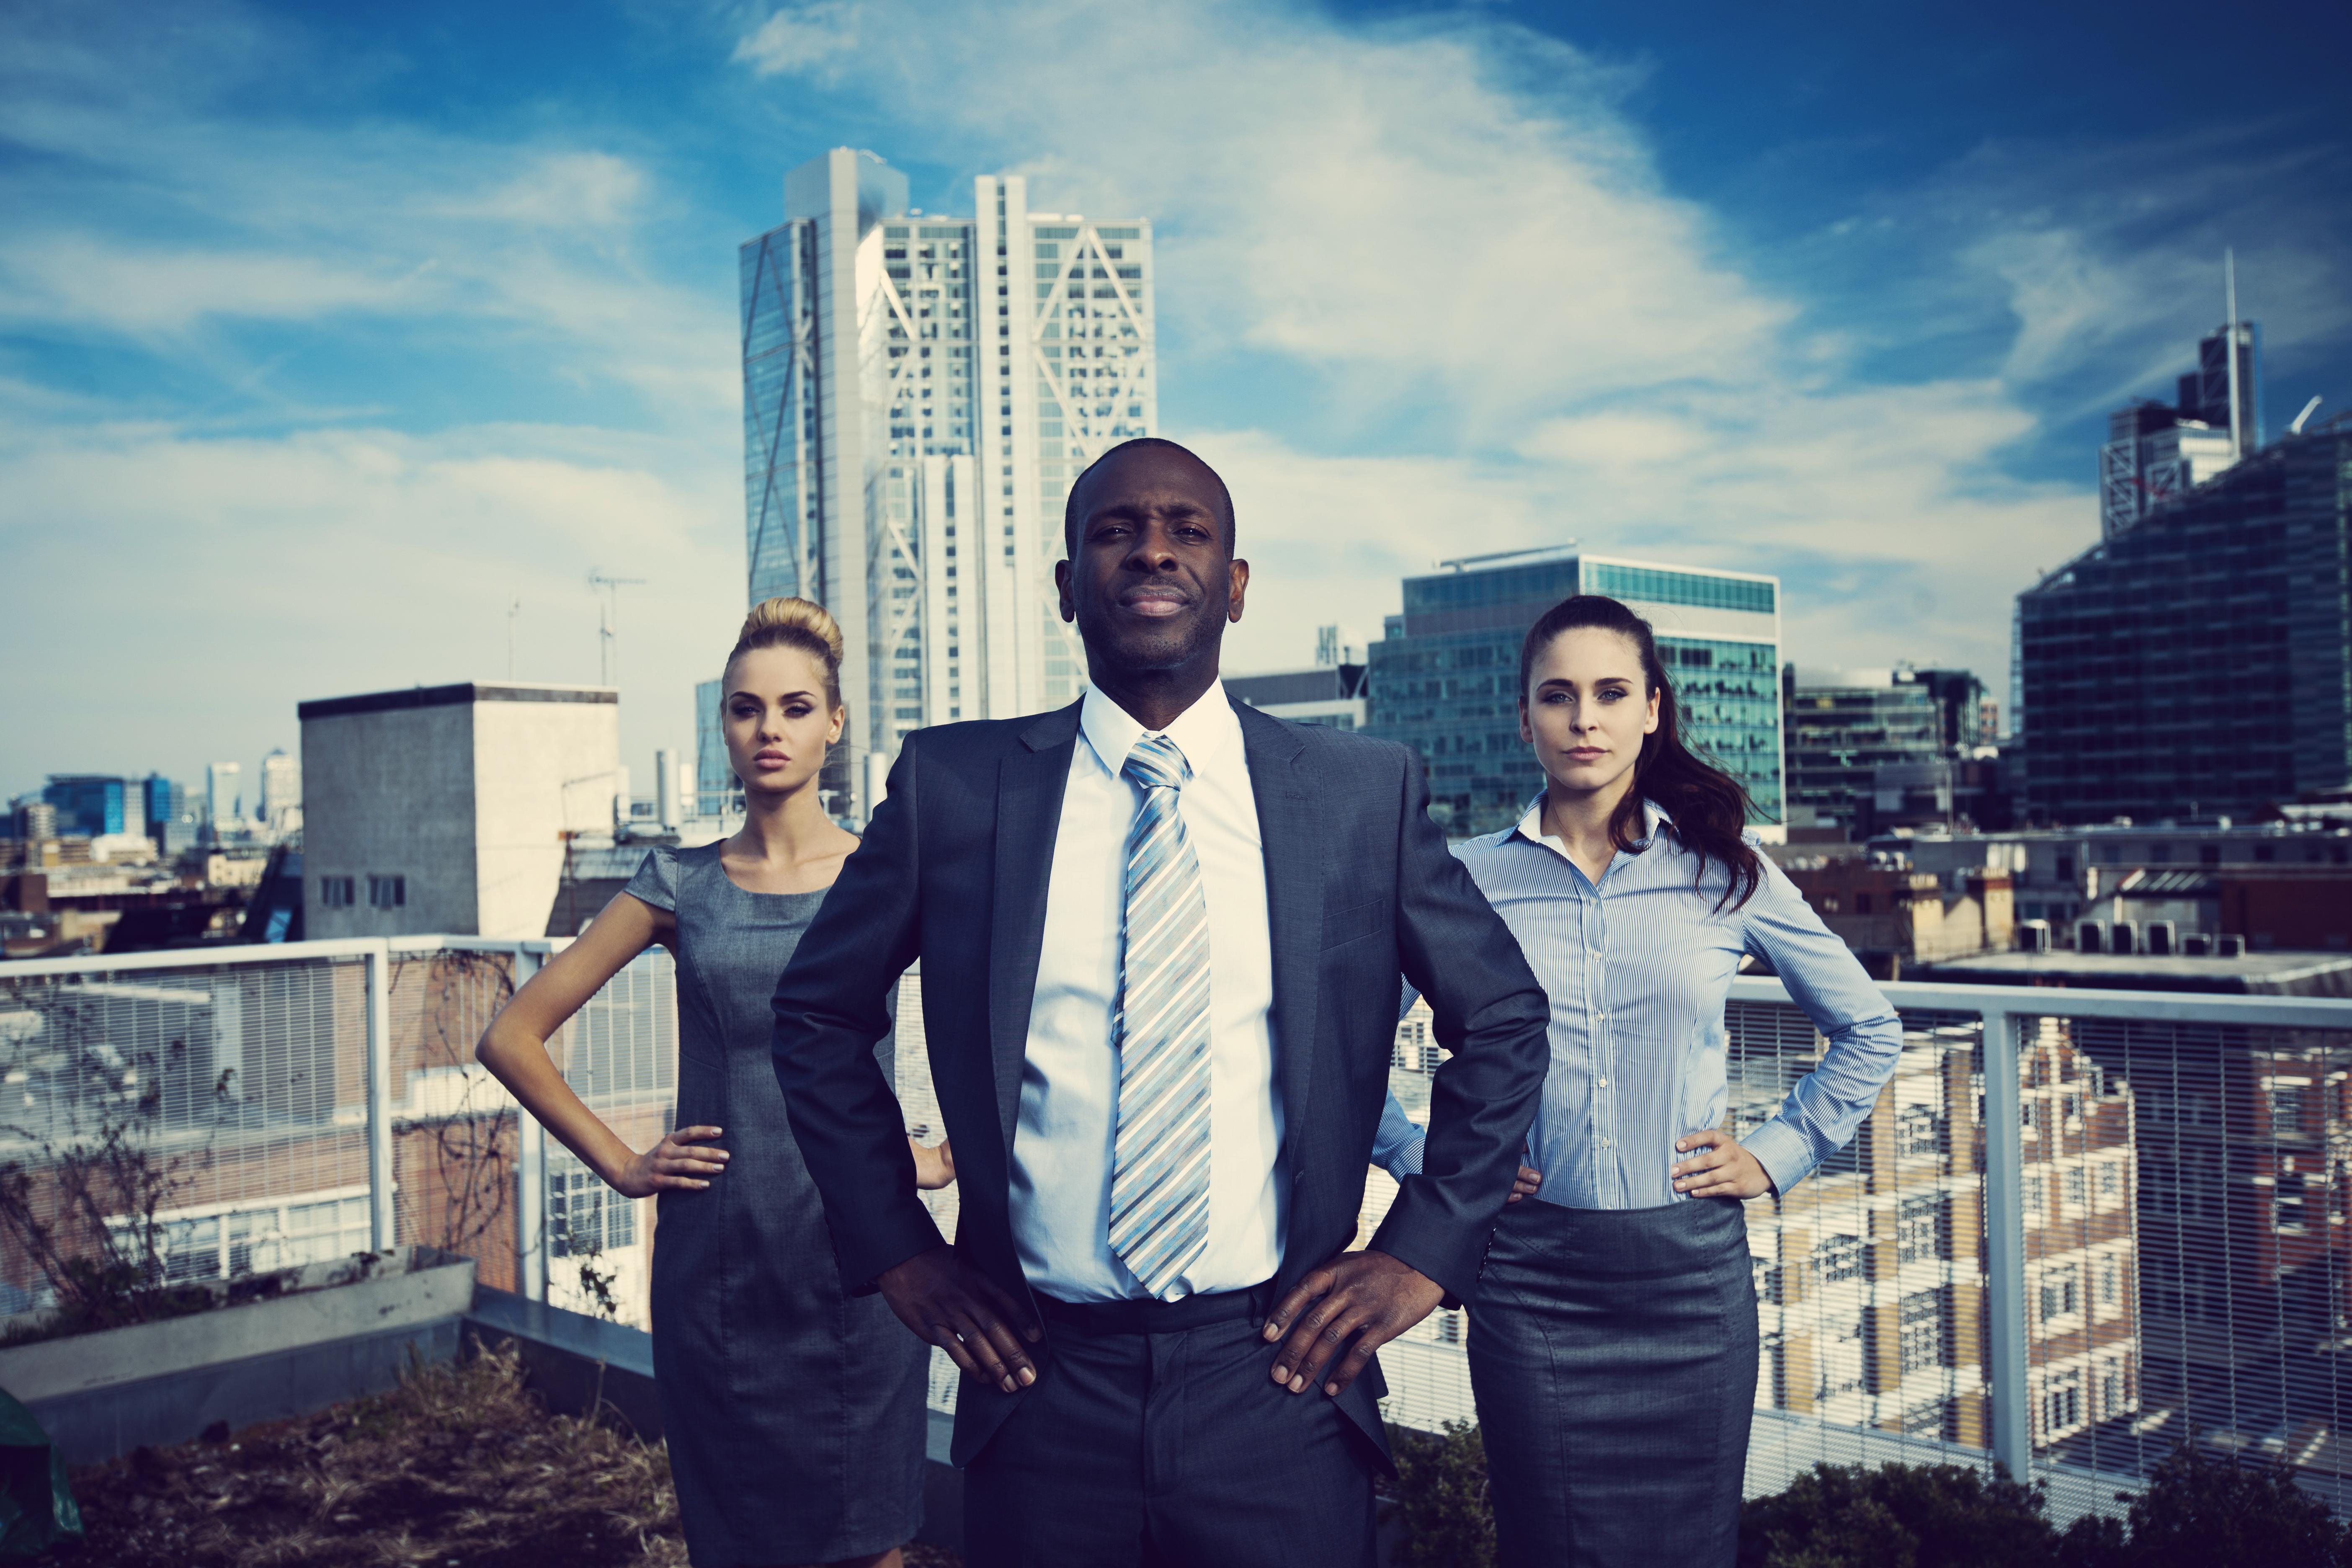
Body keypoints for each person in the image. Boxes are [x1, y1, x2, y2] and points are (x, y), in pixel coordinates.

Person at [769, 438, 1552, 1568]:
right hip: (1038, 1382)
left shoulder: (1357, 793)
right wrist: (897, 1245)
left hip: (1277, 1375)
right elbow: (817, 1015)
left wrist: (1425, 1250)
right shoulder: (955, 787)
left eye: (1190, 531)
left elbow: (1505, 1017)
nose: (1152, 551)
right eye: (1115, 530)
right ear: (1065, 586)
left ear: (1235, 585)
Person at [476, 598, 952, 1568]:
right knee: (738, 1541)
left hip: (864, 1254)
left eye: (795, 707)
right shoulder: (677, 884)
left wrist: (940, 1155)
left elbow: (1007, 1009)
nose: (769, 728)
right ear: (724, 728)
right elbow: (511, 1036)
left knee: (874, 1543)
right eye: (746, 708)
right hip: (720, 1265)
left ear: (834, 724)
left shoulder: (887, 875)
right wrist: (621, 1165)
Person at [1448, 593, 1904, 1567]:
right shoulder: (1464, 880)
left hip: (1692, 1288)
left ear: (1652, 709)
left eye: (1612, 693)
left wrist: (1778, 1152)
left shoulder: (1729, 875)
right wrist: (1437, 1163)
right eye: (1558, 696)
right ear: (1523, 718)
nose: (1585, 719)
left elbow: (1869, 1028)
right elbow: (1348, 1046)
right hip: (1530, 1285)